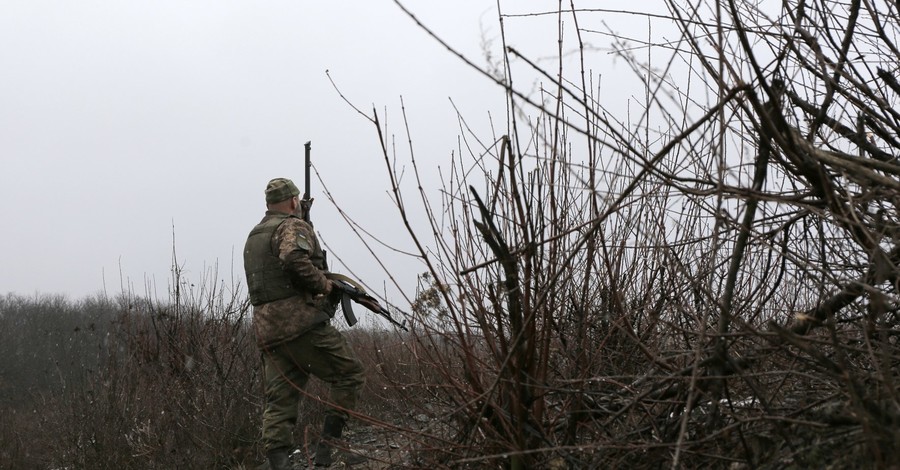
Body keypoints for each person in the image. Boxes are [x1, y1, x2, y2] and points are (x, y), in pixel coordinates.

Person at [243, 178, 366, 469]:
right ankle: (329, 449)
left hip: (268, 332)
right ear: (294, 201)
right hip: (301, 325)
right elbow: (292, 258)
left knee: (280, 401)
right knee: (349, 374)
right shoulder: (293, 226)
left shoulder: (254, 235)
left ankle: (279, 463)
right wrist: (324, 284)